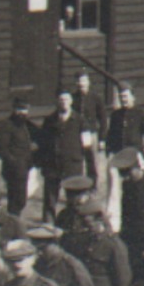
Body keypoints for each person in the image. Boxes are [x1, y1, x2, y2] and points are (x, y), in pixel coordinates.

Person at [39, 91, 88, 223]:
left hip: (72, 165)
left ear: (71, 101)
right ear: (57, 102)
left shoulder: (79, 120)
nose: (63, 102)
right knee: (50, 200)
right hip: (52, 165)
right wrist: (43, 165)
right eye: (61, 99)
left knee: (73, 199)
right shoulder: (49, 120)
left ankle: (74, 225)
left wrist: (87, 166)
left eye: (66, 99)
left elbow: (87, 144)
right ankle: (48, 228)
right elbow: (42, 144)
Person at [0, 98, 38, 217]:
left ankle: (14, 219)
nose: (22, 112)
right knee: (15, 199)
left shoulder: (26, 125)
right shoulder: (7, 125)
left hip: (25, 167)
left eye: (25, 109)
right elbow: (1, 149)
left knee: (21, 199)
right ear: (14, 109)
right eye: (19, 109)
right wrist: (13, 162)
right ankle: (13, 222)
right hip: (13, 168)